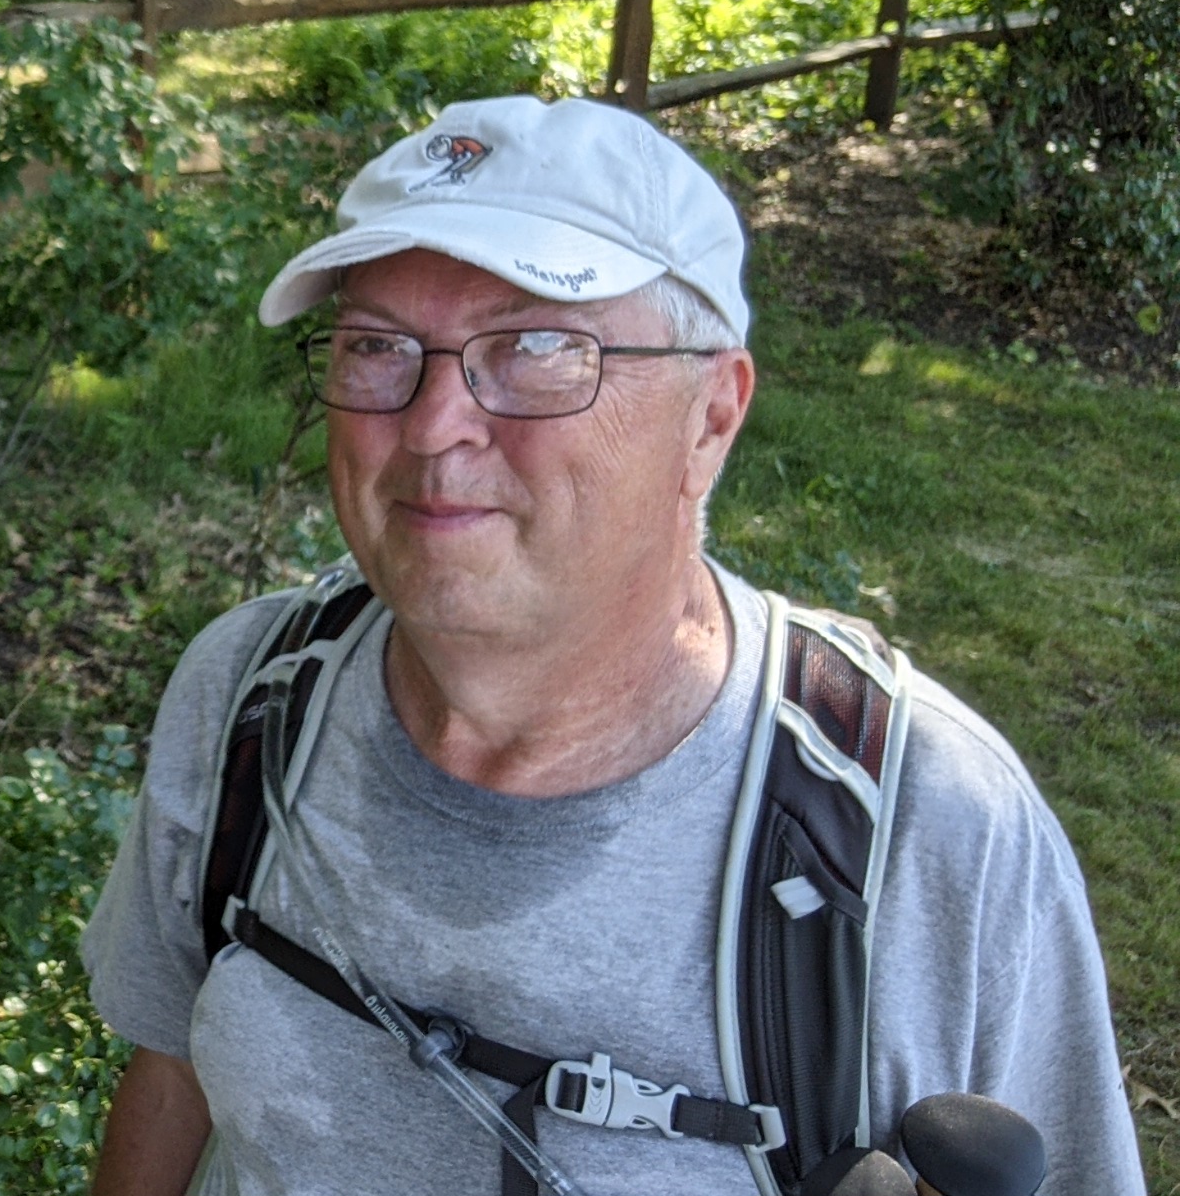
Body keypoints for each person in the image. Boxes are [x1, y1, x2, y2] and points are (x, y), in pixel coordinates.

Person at [80, 97, 1145, 1196]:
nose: (434, 419)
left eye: (538, 346)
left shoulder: (924, 833)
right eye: (375, 346)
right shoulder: (253, 696)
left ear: (711, 419)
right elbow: (173, 1069)